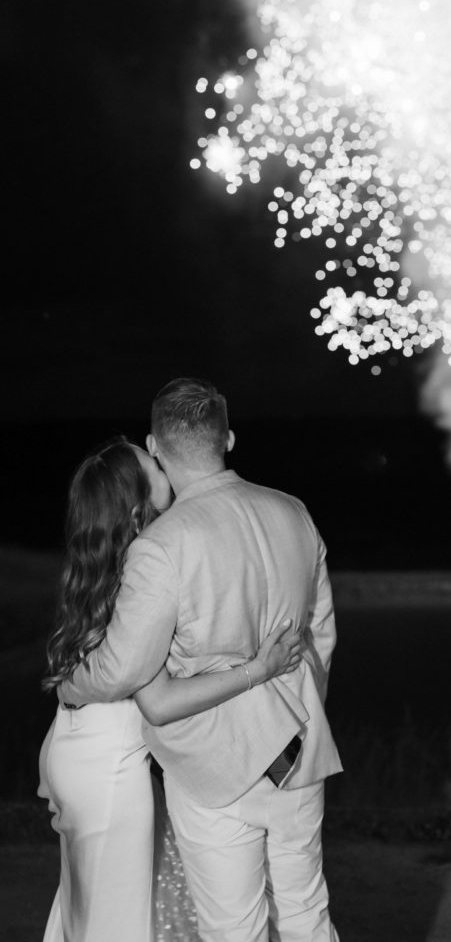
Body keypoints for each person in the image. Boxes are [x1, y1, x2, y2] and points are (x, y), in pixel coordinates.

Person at [59, 377, 343, 942]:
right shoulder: (294, 512)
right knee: (307, 913)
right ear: (228, 438)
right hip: (301, 751)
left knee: (232, 929)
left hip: (217, 769)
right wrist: (299, 711)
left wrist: (71, 685)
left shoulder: (160, 547)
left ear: (156, 447)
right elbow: (322, 636)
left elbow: (122, 669)